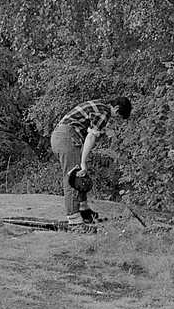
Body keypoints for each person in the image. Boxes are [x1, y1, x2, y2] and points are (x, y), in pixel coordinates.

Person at [50, 96, 132, 228]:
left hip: (61, 136)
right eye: (119, 116)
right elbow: (91, 136)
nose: (116, 119)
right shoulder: (104, 113)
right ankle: (74, 219)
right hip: (66, 137)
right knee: (74, 177)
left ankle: (84, 210)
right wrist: (83, 162)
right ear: (116, 109)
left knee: (80, 176)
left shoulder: (99, 105)